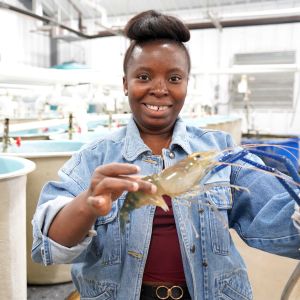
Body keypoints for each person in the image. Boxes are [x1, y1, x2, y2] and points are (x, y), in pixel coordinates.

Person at [32, 10, 300, 300]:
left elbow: (275, 216)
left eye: (174, 78)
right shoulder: (95, 157)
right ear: (125, 83)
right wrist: (87, 204)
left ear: (186, 83)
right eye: (144, 76)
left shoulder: (219, 148)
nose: (159, 89)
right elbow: (49, 247)